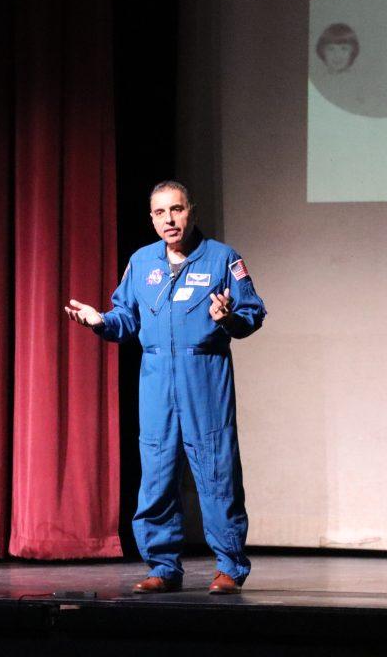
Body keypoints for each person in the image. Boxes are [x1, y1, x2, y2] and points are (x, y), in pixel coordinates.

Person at [64, 181, 266, 594]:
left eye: (176, 210)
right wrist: (101, 321)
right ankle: (162, 566)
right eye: (160, 213)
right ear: (152, 218)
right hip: (156, 378)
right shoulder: (141, 263)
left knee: (216, 472)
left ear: (191, 210)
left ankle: (229, 566)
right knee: (156, 474)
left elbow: (251, 314)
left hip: (203, 375)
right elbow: (125, 317)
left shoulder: (223, 259)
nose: (169, 220)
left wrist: (227, 318)